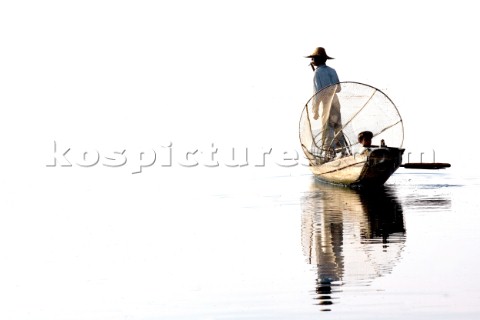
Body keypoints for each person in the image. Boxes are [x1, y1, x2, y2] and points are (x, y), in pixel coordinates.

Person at [306, 47, 348, 157]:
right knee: (338, 126)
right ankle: (344, 152)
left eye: (313, 59)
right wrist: (330, 89)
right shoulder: (332, 70)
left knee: (327, 127)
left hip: (326, 103)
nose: (312, 61)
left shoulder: (317, 73)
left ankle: (329, 155)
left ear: (318, 60)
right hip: (335, 101)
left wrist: (315, 111)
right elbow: (338, 88)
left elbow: (318, 93)